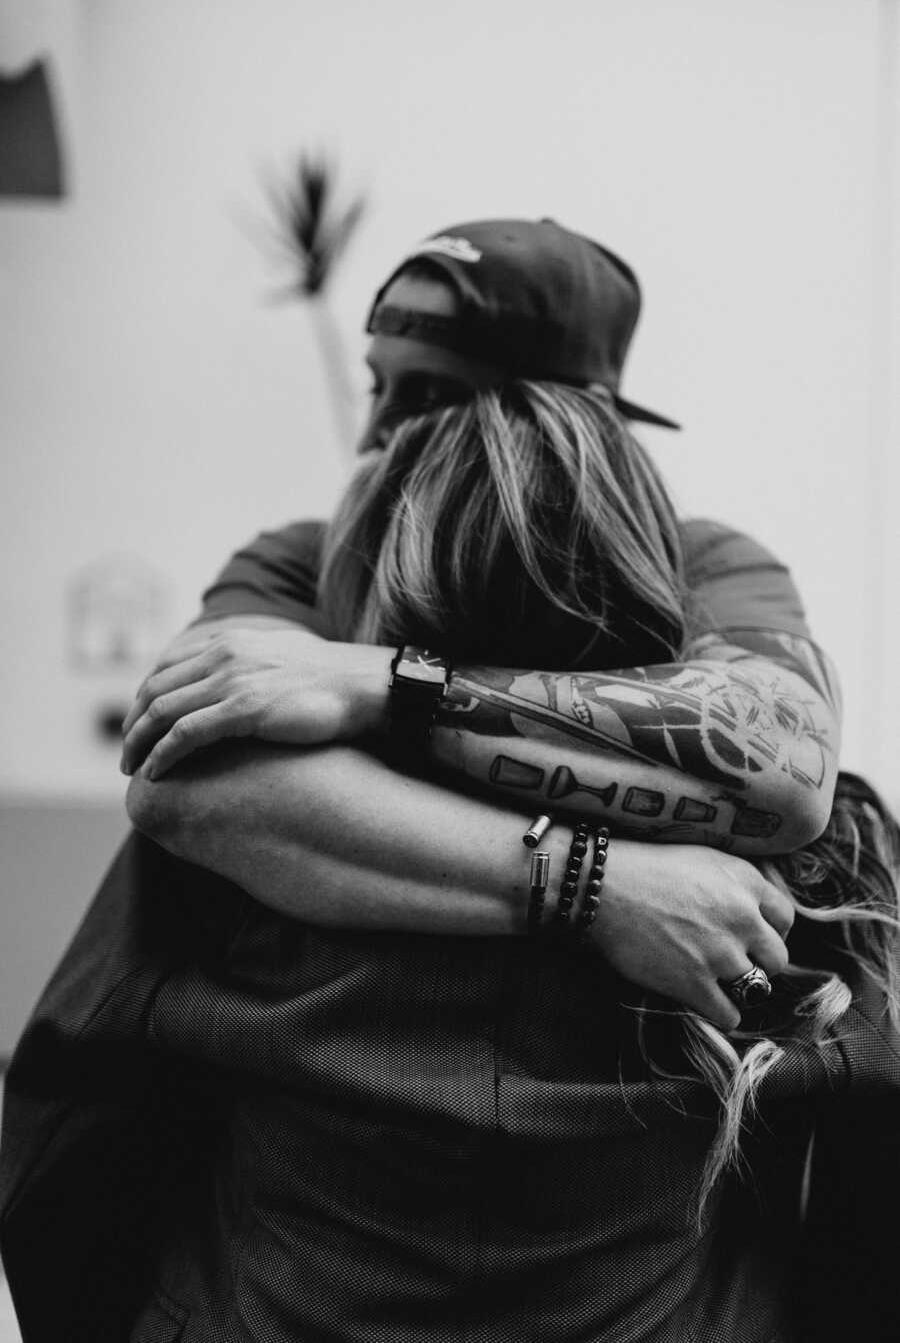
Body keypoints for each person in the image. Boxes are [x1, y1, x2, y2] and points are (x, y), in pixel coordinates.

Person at [0, 220, 879, 1343]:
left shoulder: (710, 567)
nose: (371, 437)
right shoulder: (297, 558)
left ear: (564, 419)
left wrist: (384, 684)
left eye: (420, 397)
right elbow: (182, 780)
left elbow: (785, 771)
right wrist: (596, 886)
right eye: (373, 387)